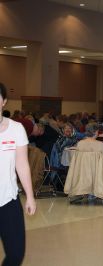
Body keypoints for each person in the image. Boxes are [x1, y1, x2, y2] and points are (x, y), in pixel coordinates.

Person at [0, 83, 36, 266]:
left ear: (3, 102)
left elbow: (22, 164)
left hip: (8, 200)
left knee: (16, 254)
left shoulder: (16, 129)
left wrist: (30, 197)